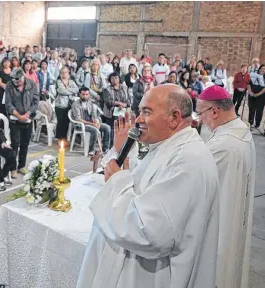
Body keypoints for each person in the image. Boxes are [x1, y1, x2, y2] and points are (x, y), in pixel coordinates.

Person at [77, 85, 220, 288]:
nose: (138, 119)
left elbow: (149, 232)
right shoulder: (170, 147)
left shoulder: (189, 161)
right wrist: (121, 155)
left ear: (174, 117)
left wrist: (118, 182)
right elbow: (147, 186)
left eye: (147, 112)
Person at [195, 86, 255, 288]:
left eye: (201, 113)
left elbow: (195, 188)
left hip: (220, 228)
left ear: (214, 111)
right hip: (234, 220)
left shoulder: (223, 145)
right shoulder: (241, 132)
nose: (200, 120)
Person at [4, 68, 39, 177]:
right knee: (15, 143)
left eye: (18, 81)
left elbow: (36, 101)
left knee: (25, 143)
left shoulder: (31, 84)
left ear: (23, 77)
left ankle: (22, 166)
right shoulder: (9, 86)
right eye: (14, 81)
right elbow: (8, 104)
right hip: (15, 119)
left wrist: (27, 114)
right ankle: (13, 168)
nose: (16, 83)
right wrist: (19, 116)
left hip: (28, 118)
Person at [71, 87, 111, 155]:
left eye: (87, 94)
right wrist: (92, 124)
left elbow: (93, 115)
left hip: (91, 123)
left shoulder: (90, 103)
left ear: (89, 94)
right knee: (95, 130)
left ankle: (105, 149)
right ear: (79, 94)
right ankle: (91, 150)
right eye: (83, 94)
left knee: (107, 127)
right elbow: (78, 119)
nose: (85, 96)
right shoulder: (75, 104)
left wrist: (96, 121)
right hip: (81, 125)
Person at [55, 67, 79, 142]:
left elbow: (77, 89)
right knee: (61, 122)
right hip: (60, 105)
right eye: (62, 72)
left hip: (70, 104)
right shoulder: (58, 81)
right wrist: (71, 91)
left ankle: (64, 138)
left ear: (68, 73)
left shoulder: (71, 81)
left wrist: (67, 89)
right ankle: (60, 138)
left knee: (67, 122)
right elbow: (62, 91)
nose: (64, 74)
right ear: (60, 73)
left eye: (66, 72)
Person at [247, 64, 265, 129]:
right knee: (251, 109)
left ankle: (257, 124)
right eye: (262, 68)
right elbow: (249, 84)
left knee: (259, 111)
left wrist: (258, 94)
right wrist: (250, 91)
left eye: (264, 69)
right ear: (259, 69)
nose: (263, 70)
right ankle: (250, 123)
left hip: (261, 96)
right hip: (252, 94)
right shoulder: (254, 75)